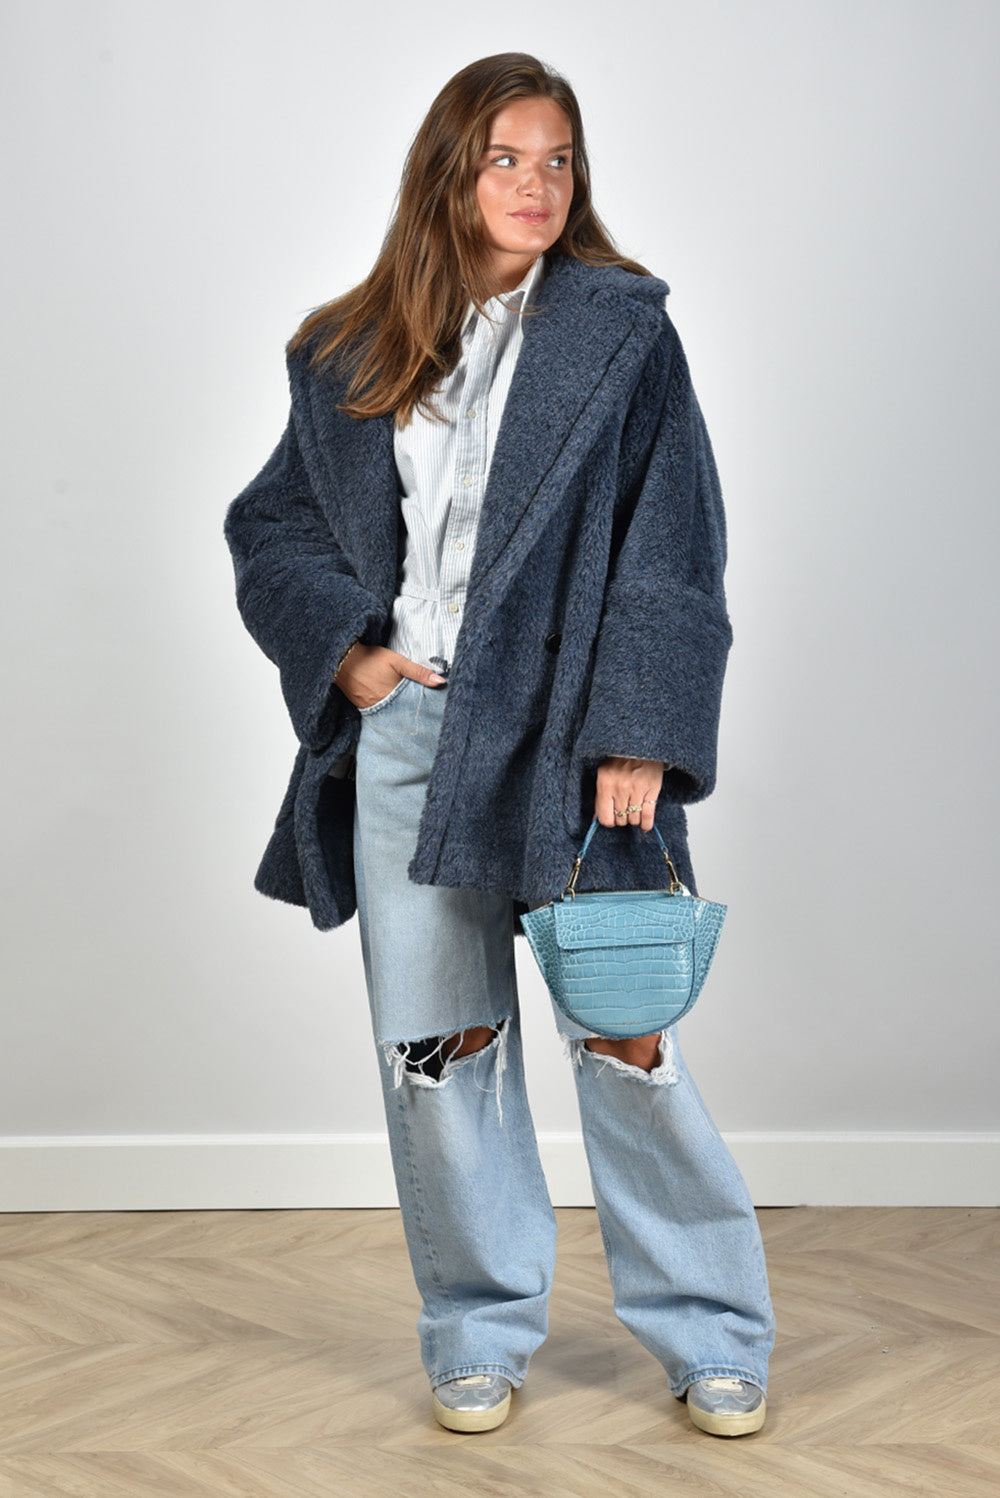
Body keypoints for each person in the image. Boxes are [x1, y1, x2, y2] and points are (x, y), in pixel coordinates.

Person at [224, 52, 775, 1438]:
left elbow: (675, 541)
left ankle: (712, 1327)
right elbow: (271, 526)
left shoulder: (623, 334)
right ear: (450, 173)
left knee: (626, 1035)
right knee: (440, 1050)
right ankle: (476, 1325)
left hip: (575, 737)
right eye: (505, 159)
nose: (536, 185)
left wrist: (640, 732)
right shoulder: (348, 348)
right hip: (412, 731)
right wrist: (349, 654)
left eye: (558, 160)